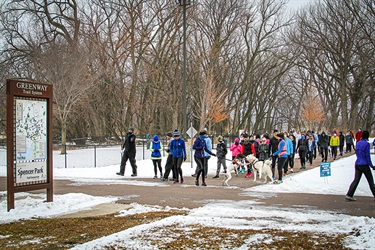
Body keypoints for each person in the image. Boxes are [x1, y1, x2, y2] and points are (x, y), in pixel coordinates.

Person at [345, 130, 375, 201]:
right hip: (364, 164)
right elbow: (367, 156)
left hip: (357, 163)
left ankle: (349, 194)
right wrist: (371, 165)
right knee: (370, 181)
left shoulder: (358, 143)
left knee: (356, 180)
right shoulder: (367, 144)